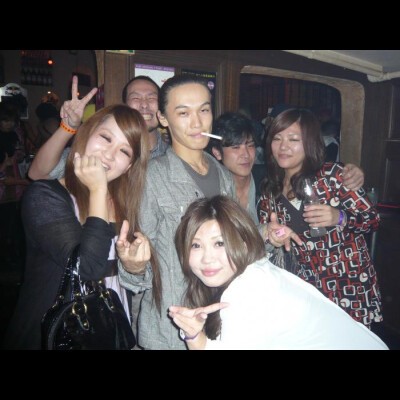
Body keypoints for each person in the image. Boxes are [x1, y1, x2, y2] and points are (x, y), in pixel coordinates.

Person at [2, 100, 159, 349]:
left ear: (129, 166)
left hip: (109, 329)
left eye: (124, 151)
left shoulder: (127, 205)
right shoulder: (45, 196)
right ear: (86, 134)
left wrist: (134, 267)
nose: (109, 154)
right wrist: (98, 190)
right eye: (105, 138)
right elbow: (87, 267)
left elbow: (129, 277)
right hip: (54, 333)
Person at [168, 195, 388, 350]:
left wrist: (194, 336)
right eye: (195, 245)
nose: (207, 258)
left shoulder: (246, 291)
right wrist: (194, 334)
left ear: (244, 243)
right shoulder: (257, 269)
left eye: (219, 243)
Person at [117, 75, 235, 350]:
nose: (197, 123)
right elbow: (138, 269)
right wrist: (134, 265)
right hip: (172, 327)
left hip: (220, 319)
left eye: (204, 110)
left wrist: (266, 234)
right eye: (183, 113)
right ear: (163, 118)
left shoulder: (224, 175)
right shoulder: (151, 176)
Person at [258, 108, 382, 328]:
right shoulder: (270, 191)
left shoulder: (333, 176)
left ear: (309, 142)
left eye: (293, 139)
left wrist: (340, 217)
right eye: (277, 138)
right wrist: (272, 235)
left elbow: (372, 219)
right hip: (307, 287)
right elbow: (269, 238)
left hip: (348, 283)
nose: (283, 146)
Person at [209, 112, 366, 224]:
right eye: (236, 148)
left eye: (250, 145)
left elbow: (369, 217)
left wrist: (341, 216)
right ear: (217, 153)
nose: (245, 155)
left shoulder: (266, 179)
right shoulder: (211, 188)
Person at [28, 75, 168, 181]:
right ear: (125, 106)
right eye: (136, 98)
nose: (144, 105)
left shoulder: (171, 154)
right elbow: (38, 173)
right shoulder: (101, 149)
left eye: (151, 98)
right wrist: (67, 127)